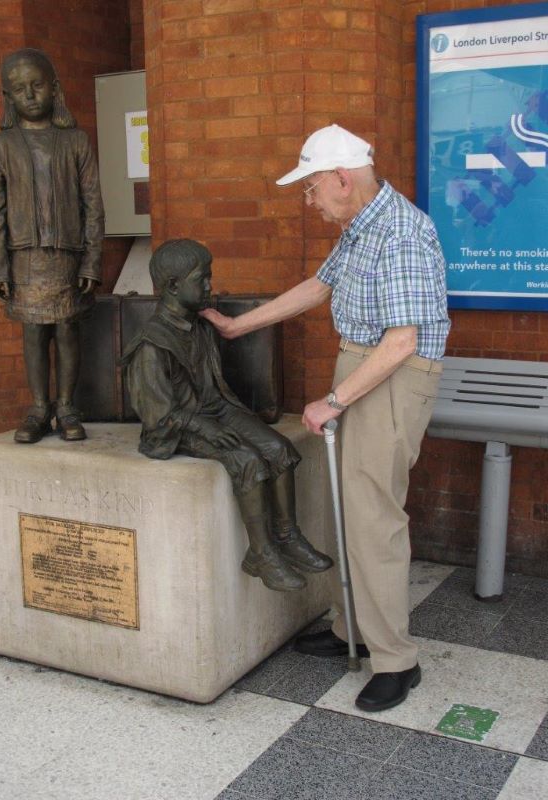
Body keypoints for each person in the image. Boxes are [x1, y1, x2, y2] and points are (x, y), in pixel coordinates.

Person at [201, 124, 450, 712]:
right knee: (348, 508)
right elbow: (319, 286)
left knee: (374, 519)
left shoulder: (401, 231)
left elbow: (403, 341)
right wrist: (239, 326)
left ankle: (396, 660)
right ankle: (350, 628)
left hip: (390, 376)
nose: (308, 200)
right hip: (363, 367)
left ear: (342, 177)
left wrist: (333, 401)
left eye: (311, 187)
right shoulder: (360, 225)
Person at [120, 238, 333, 592]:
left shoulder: (200, 326)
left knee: (280, 450)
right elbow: (158, 415)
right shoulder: (151, 345)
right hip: (176, 427)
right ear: (173, 286)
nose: (209, 285)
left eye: (209, 276)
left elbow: (215, 390)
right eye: (201, 279)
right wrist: (204, 428)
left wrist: (222, 418)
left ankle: (287, 536)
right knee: (247, 460)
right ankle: (261, 553)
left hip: (217, 410)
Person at [0, 48, 104, 443]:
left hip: (67, 257)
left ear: (54, 88)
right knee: (34, 331)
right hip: (24, 258)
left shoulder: (76, 141)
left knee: (67, 329)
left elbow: (93, 206)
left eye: (37, 85)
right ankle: (39, 407)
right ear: (8, 96)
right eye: (19, 89)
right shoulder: (0, 147)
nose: (30, 95)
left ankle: (66, 406)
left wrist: (91, 261)